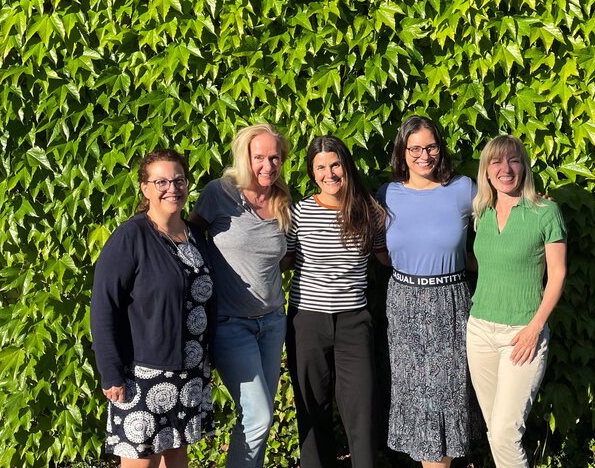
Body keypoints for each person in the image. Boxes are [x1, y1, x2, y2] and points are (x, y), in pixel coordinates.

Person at [91, 149, 214, 468]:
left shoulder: (196, 236)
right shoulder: (130, 237)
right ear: (145, 188)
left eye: (179, 180)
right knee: (141, 462)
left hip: (190, 374)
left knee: (176, 460)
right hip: (143, 376)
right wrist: (111, 373)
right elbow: (104, 307)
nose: (172, 188)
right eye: (161, 181)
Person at [376, 115, 481, 468]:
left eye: (431, 146)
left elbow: (505, 219)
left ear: (441, 147)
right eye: (415, 148)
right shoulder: (387, 194)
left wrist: (533, 201)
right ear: (402, 152)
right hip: (404, 302)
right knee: (416, 398)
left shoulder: (464, 189)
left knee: (448, 394)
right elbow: (375, 246)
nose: (424, 155)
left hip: (450, 302)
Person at [189, 123, 291, 468]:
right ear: (244, 157)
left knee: (259, 420)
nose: (267, 165)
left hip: (273, 322)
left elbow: (283, 256)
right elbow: (188, 238)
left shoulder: (281, 198)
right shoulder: (220, 193)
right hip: (231, 325)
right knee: (258, 416)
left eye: (275, 157)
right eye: (259, 157)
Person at [283, 136, 387, 468]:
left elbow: (388, 257)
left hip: (354, 322)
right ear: (313, 174)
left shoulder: (369, 211)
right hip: (307, 321)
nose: (329, 174)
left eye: (335, 164)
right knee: (312, 409)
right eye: (320, 168)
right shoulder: (300, 211)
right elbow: (282, 260)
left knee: (362, 411)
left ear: (346, 166)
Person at [466, 135, 567, 468]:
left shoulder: (545, 211)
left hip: (523, 334)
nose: (505, 169)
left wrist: (534, 328)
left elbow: (557, 275)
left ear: (524, 166)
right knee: (494, 430)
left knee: (504, 433)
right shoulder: (481, 212)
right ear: (486, 170)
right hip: (479, 331)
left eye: (513, 160)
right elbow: (487, 262)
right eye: (496, 162)